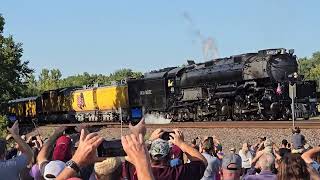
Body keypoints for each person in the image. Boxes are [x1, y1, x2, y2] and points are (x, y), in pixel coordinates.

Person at [142, 128, 207, 180]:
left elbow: (133, 155)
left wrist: (149, 141)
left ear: (149, 154)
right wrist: (181, 143)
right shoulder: (178, 174)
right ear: (170, 155)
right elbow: (202, 162)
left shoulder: (140, 172)